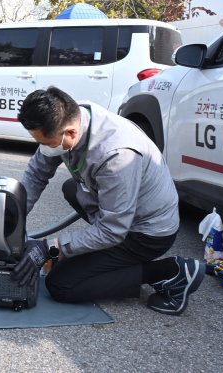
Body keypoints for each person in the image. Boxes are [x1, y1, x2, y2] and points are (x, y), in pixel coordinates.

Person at [11, 86, 204, 315]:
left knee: (60, 284)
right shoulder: (73, 115)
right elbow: (37, 173)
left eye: (49, 144)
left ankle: (170, 272)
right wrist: (8, 222)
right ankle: (101, 255)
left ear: (71, 133)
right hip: (118, 212)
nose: (45, 149)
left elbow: (113, 230)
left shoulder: (117, 156)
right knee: (71, 188)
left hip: (146, 234)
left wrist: (49, 249)